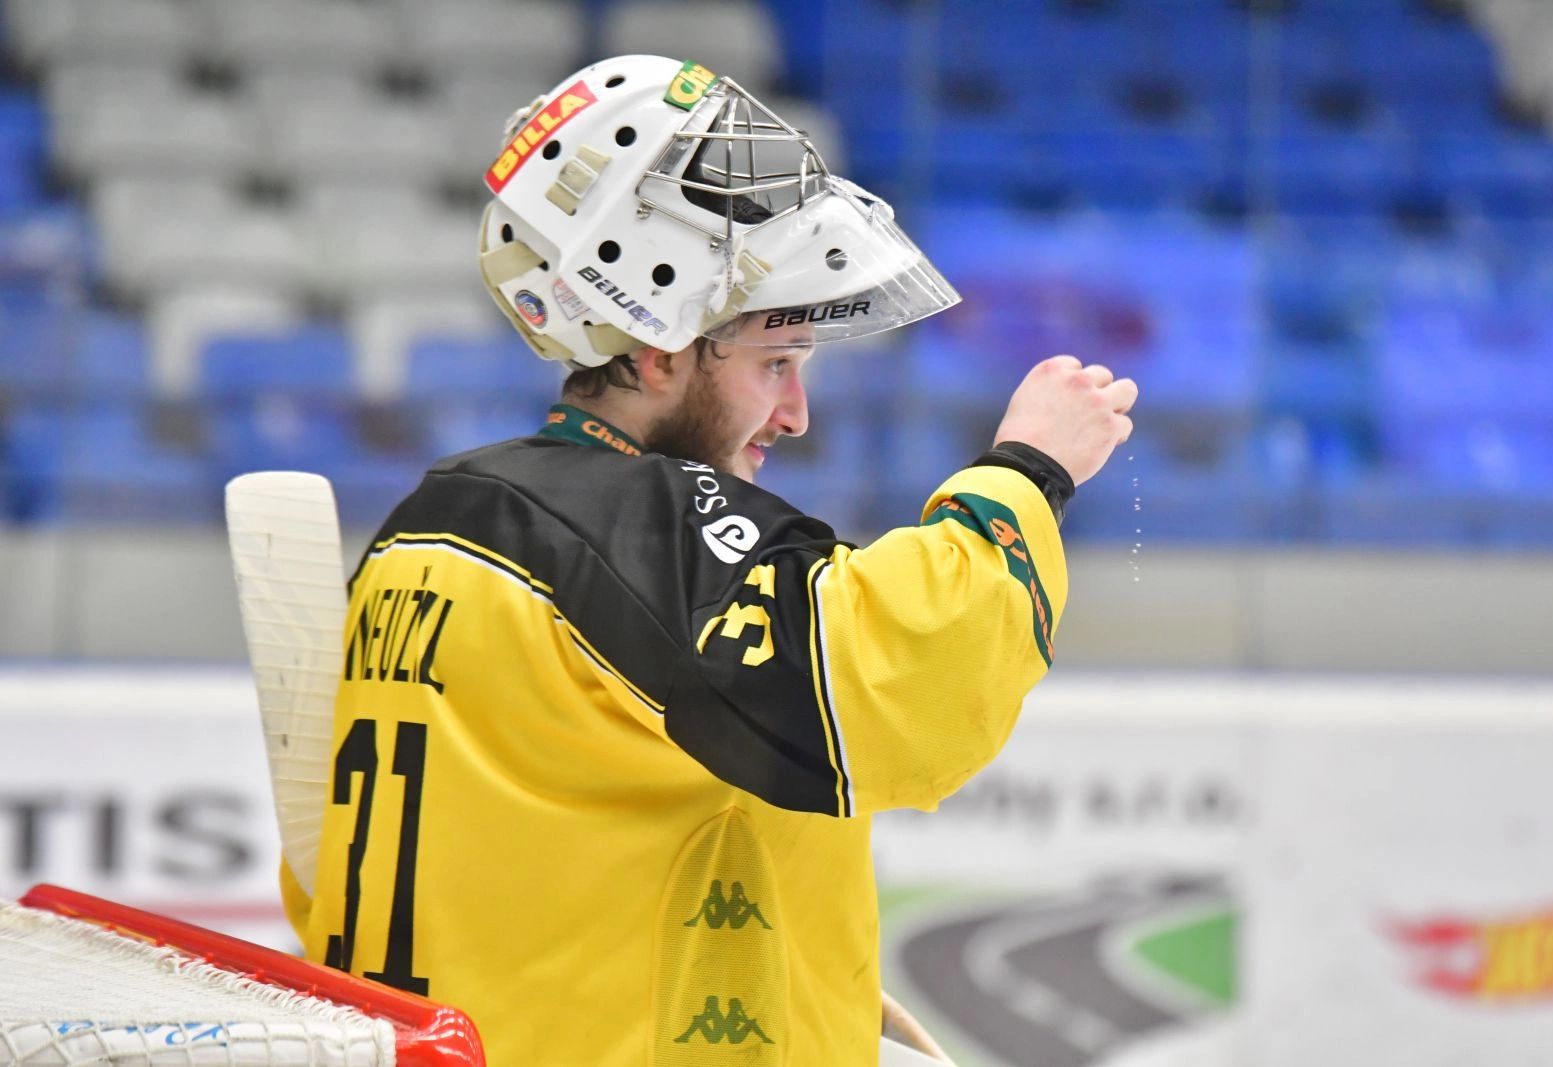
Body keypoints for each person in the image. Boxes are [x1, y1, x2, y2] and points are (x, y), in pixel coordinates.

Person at [281, 56, 1136, 1065]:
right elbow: (897, 687)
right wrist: (1027, 471)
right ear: (656, 348)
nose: (796, 411)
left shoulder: (430, 522)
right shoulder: (628, 532)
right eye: (776, 361)